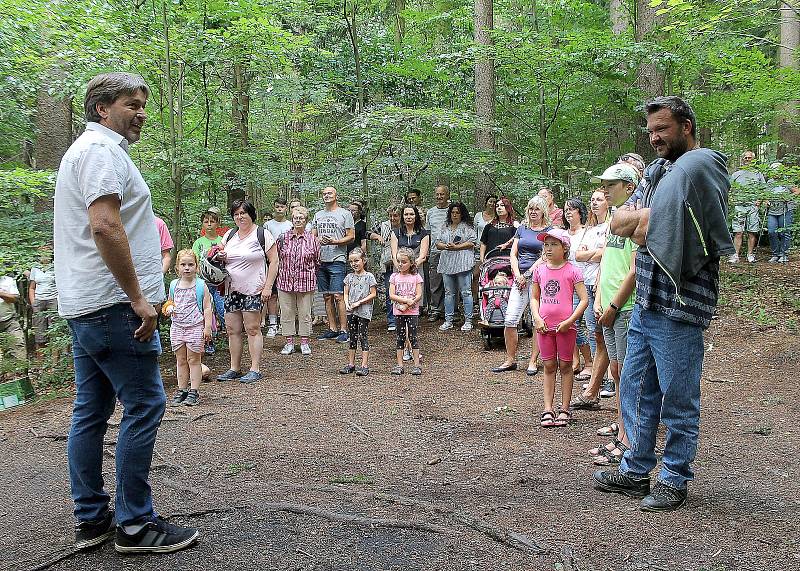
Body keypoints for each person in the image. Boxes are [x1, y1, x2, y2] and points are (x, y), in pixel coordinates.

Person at [54, 72, 198, 553]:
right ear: (102, 108)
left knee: (91, 411)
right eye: (131, 104)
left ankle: (92, 518)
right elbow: (105, 226)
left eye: (143, 104)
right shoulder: (100, 152)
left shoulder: (90, 151)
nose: (141, 112)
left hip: (86, 305)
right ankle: (136, 524)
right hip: (113, 305)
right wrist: (139, 296)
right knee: (145, 404)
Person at [594, 96, 734, 512]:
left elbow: (650, 225)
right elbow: (620, 224)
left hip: (681, 304)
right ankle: (637, 470)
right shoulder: (657, 172)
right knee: (637, 389)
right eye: (650, 130)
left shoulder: (703, 166)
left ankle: (674, 477)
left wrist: (646, 220)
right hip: (646, 301)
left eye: (663, 129)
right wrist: (644, 219)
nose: (654, 138)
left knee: (678, 396)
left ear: (687, 126)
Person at [586, 163, 640, 463]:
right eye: (603, 184)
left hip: (624, 307)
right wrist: (597, 298)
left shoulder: (635, 218)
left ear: (629, 187)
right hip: (604, 304)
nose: (604, 190)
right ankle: (621, 427)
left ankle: (627, 438)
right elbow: (607, 259)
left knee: (627, 373)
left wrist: (615, 305)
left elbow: (634, 269)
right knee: (617, 372)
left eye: (611, 185)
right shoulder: (613, 220)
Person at [215, 199, 278, 383]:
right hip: (231, 288)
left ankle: (255, 368)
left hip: (254, 289)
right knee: (232, 329)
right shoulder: (229, 235)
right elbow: (218, 254)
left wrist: (268, 287)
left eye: (243, 213)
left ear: (251, 214)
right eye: (236, 214)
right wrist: (219, 256)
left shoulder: (262, 234)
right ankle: (234, 368)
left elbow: (274, 261)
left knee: (252, 328)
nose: (240, 217)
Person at [529, 228, 588, 428]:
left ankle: (565, 408)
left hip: (565, 327)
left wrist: (570, 321)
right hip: (544, 326)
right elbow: (535, 297)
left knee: (565, 365)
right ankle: (548, 408)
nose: (548, 248)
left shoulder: (572, 270)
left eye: (554, 244)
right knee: (548, 365)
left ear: (564, 248)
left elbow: (584, 300)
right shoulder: (539, 270)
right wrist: (536, 317)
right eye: (546, 244)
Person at [490, 195, 551, 375]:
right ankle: (510, 359)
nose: (533, 212)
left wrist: (527, 274)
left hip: (538, 278)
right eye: (531, 209)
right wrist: (517, 274)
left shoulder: (548, 230)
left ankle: (533, 360)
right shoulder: (522, 229)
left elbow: (546, 255)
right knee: (510, 319)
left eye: (537, 209)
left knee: (535, 321)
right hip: (518, 279)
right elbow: (514, 254)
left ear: (543, 212)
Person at [570, 189, 612, 408]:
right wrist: (595, 253)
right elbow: (578, 255)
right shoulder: (589, 229)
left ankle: (610, 381)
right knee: (595, 334)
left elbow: (608, 253)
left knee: (607, 332)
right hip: (586, 283)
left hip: (603, 283)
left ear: (608, 202)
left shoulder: (612, 225)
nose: (595, 203)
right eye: (592, 200)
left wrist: (594, 254)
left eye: (599, 199)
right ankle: (599, 382)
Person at [164, 250, 213, 407]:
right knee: (181, 360)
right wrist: (168, 308)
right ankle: (182, 389)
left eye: (190, 265)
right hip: (177, 327)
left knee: (194, 360)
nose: (187, 268)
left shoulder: (200, 286)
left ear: (196, 267)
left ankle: (194, 391)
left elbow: (207, 307)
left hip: (195, 327)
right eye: (183, 265)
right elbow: (169, 302)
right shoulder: (174, 285)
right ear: (177, 267)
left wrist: (207, 327)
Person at [312, 186, 355, 343]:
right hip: (321, 259)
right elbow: (312, 236)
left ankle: (344, 330)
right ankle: (332, 328)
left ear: (336, 195)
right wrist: (318, 241)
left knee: (338, 295)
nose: (326, 196)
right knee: (327, 296)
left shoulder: (345, 214)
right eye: (324, 194)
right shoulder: (318, 215)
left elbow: (351, 236)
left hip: (337, 258)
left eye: (329, 193)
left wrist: (335, 241)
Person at [276, 206, 321, 355]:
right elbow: (277, 259)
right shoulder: (283, 238)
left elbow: (317, 261)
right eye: (295, 218)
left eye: (301, 218)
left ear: (306, 220)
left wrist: (309, 274)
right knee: (286, 312)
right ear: (292, 219)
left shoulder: (313, 240)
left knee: (305, 312)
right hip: (285, 281)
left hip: (306, 281)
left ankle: (304, 342)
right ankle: (289, 342)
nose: (298, 220)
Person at [389, 205, 430, 360]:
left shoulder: (424, 233)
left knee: (412, 310)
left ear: (416, 216)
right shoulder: (396, 232)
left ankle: (411, 345)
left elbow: (423, 255)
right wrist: (401, 267)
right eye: (406, 214)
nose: (408, 217)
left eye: (411, 214)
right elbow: (394, 255)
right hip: (399, 273)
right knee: (401, 310)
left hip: (415, 272)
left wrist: (412, 267)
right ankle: (405, 348)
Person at [563, 198, 593, 381]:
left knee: (582, 324)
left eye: (571, 209)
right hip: (565, 283)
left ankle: (589, 363)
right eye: (566, 209)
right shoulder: (562, 233)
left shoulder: (587, 232)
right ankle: (576, 361)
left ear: (580, 212)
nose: (568, 213)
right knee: (569, 325)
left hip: (583, 282)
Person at [436, 202, 477, 331]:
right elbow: (437, 243)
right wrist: (446, 246)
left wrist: (457, 247)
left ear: (462, 213)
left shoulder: (467, 227)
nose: (454, 214)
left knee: (466, 291)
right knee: (449, 292)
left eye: (457, 212)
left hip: (463, 263)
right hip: (447, 262)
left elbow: (472, 242)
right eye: (452, 212)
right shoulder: (445, 226)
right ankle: (449, 320)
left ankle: (468, 320)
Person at [192, 206, 226, 353]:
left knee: (223, 310)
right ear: (203, 224)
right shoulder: (199, 242)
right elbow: (195, 260)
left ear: (218, 224)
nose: (210, 224)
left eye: (213, 221)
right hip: (204, 283)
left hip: (220, 283)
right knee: (207, 312)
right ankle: (209, 342)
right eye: (206, 221)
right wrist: (199, 276)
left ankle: (230, 337)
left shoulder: (222, 240)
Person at [339, 248, 377, 376]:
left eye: (356, 260)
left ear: (363, 260)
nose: (354, 263)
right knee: (352, 336)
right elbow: (345, 293)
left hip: (363, 311)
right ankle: (351, 364)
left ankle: (364, 365)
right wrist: (347, 304)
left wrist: (359, 302)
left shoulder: (369, 277)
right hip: (351, 311)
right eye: (351, 261)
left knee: (363, 336)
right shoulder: (349, 277)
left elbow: (373, 294)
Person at [389, 247, 424, 375]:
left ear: (411, 263)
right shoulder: (394, 277)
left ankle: (416, 365)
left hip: (412, 313)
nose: (400, 264)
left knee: (413, 337)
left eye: (403, 262)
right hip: (398, 313)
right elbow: (392, 295)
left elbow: (418, 294)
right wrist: (404, 301)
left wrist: (409, 305)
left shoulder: (416, 277)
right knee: (400, 338)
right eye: (398, 261)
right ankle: (399, 365)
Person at [368, 205, 402, 331]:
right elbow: (368, 233)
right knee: (390, 291)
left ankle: (404, 317)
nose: (393, 218)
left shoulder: (405, 226)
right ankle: (391, 320)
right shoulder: (384, 226)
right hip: (388, 263)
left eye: (396, 215)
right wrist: (378, 237)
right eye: (391, 215)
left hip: (404, 262)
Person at [263, 198, 293, 337]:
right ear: (274, 208)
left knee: (286, 294)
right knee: (272, 294)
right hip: (272, 263)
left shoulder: (290, 225)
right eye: (277, 207)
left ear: (286, 208)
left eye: (282, 206)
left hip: (288, 264)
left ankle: (285, 323)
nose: (279, 209)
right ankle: (273, 324)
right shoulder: (268, 225)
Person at [729, 150, 765, 263]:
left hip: (753, 206)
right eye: (746, 157)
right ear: (742, 159)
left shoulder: (758, 174)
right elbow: (729, 189)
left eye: (749, 158)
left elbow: (763, 189)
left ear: (753, 159)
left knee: (752, 232)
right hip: (739, 206)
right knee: (738, 231)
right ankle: (735, 255)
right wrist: (731, 199)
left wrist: (759, 200)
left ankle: (750, 255)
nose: (747, 159)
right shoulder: (736, 174)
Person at [424, 185, 450, 321]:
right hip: (435, 251)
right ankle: (435, 309)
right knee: (435, 281)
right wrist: (427, 250)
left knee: (450, 281)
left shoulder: (452, 211)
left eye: (442, 194)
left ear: (447, 195)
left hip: (450, 251)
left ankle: (451, 310)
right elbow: (428, 233)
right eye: (437, 194)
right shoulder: (431, 212)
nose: (439, 197)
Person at [28, 248, 59, 355]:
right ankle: (41, 366)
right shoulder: (35, 268)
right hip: (39, 301)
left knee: (55, 331)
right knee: (39, 332)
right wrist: (33, 303)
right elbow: (32, 287)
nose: (44, 256)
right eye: (42, 254)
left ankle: (55, 364)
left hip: (53, 300)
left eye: (47, 253)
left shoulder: (55, 266)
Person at [765, 162, 794, 263]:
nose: (775, 172)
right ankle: (775, 254)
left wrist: (789, 198)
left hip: (785, 210)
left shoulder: (787, 181)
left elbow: (797, 191)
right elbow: (765, 195)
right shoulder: (770, 182)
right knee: (771, 232)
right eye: (773, 171)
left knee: (784, 232)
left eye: (777, 170)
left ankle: (784, 254)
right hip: (772, 211)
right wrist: (766, 201)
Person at [472, 195, 498, 299]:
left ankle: (489, 296)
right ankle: (475, 297)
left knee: (490, 274)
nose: (492, 204)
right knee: (475, 274)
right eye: (490, 201)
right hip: (478, 249)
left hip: (492, 250)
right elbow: (474, 230)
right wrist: (474, 243)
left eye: (494, 202)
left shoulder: (497, 217)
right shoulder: (478, 215)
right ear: (486, 203)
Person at [479, 197, 518, 262]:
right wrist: (482, 258)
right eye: (497, 206)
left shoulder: (515, 225)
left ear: (508, 208)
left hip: (508, 260)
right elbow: (483, 243)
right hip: (490, 259)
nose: (499, 208)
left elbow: (517, 243)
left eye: (502, 205)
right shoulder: (489, 225)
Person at [0, 271, 26, 368]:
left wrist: (1, 293)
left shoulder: (7, 280)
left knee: (18, 346)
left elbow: (15, 298)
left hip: (9, 322)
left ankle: (21, 377)